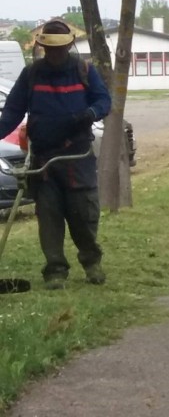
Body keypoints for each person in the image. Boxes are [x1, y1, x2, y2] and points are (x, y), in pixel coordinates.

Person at [0, 19, 111, 290]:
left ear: (69, 45)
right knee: (49, 217)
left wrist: (89, 114)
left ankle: (91, 261)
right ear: (42, 47)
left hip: (77, 156)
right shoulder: (32, 74)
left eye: (60, 48)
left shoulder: (84, 70)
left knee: (82, 215)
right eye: (50, 49)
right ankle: (55, 271)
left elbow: (104, 101)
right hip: (44, 160)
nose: (55, 54)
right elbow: (13, 111)